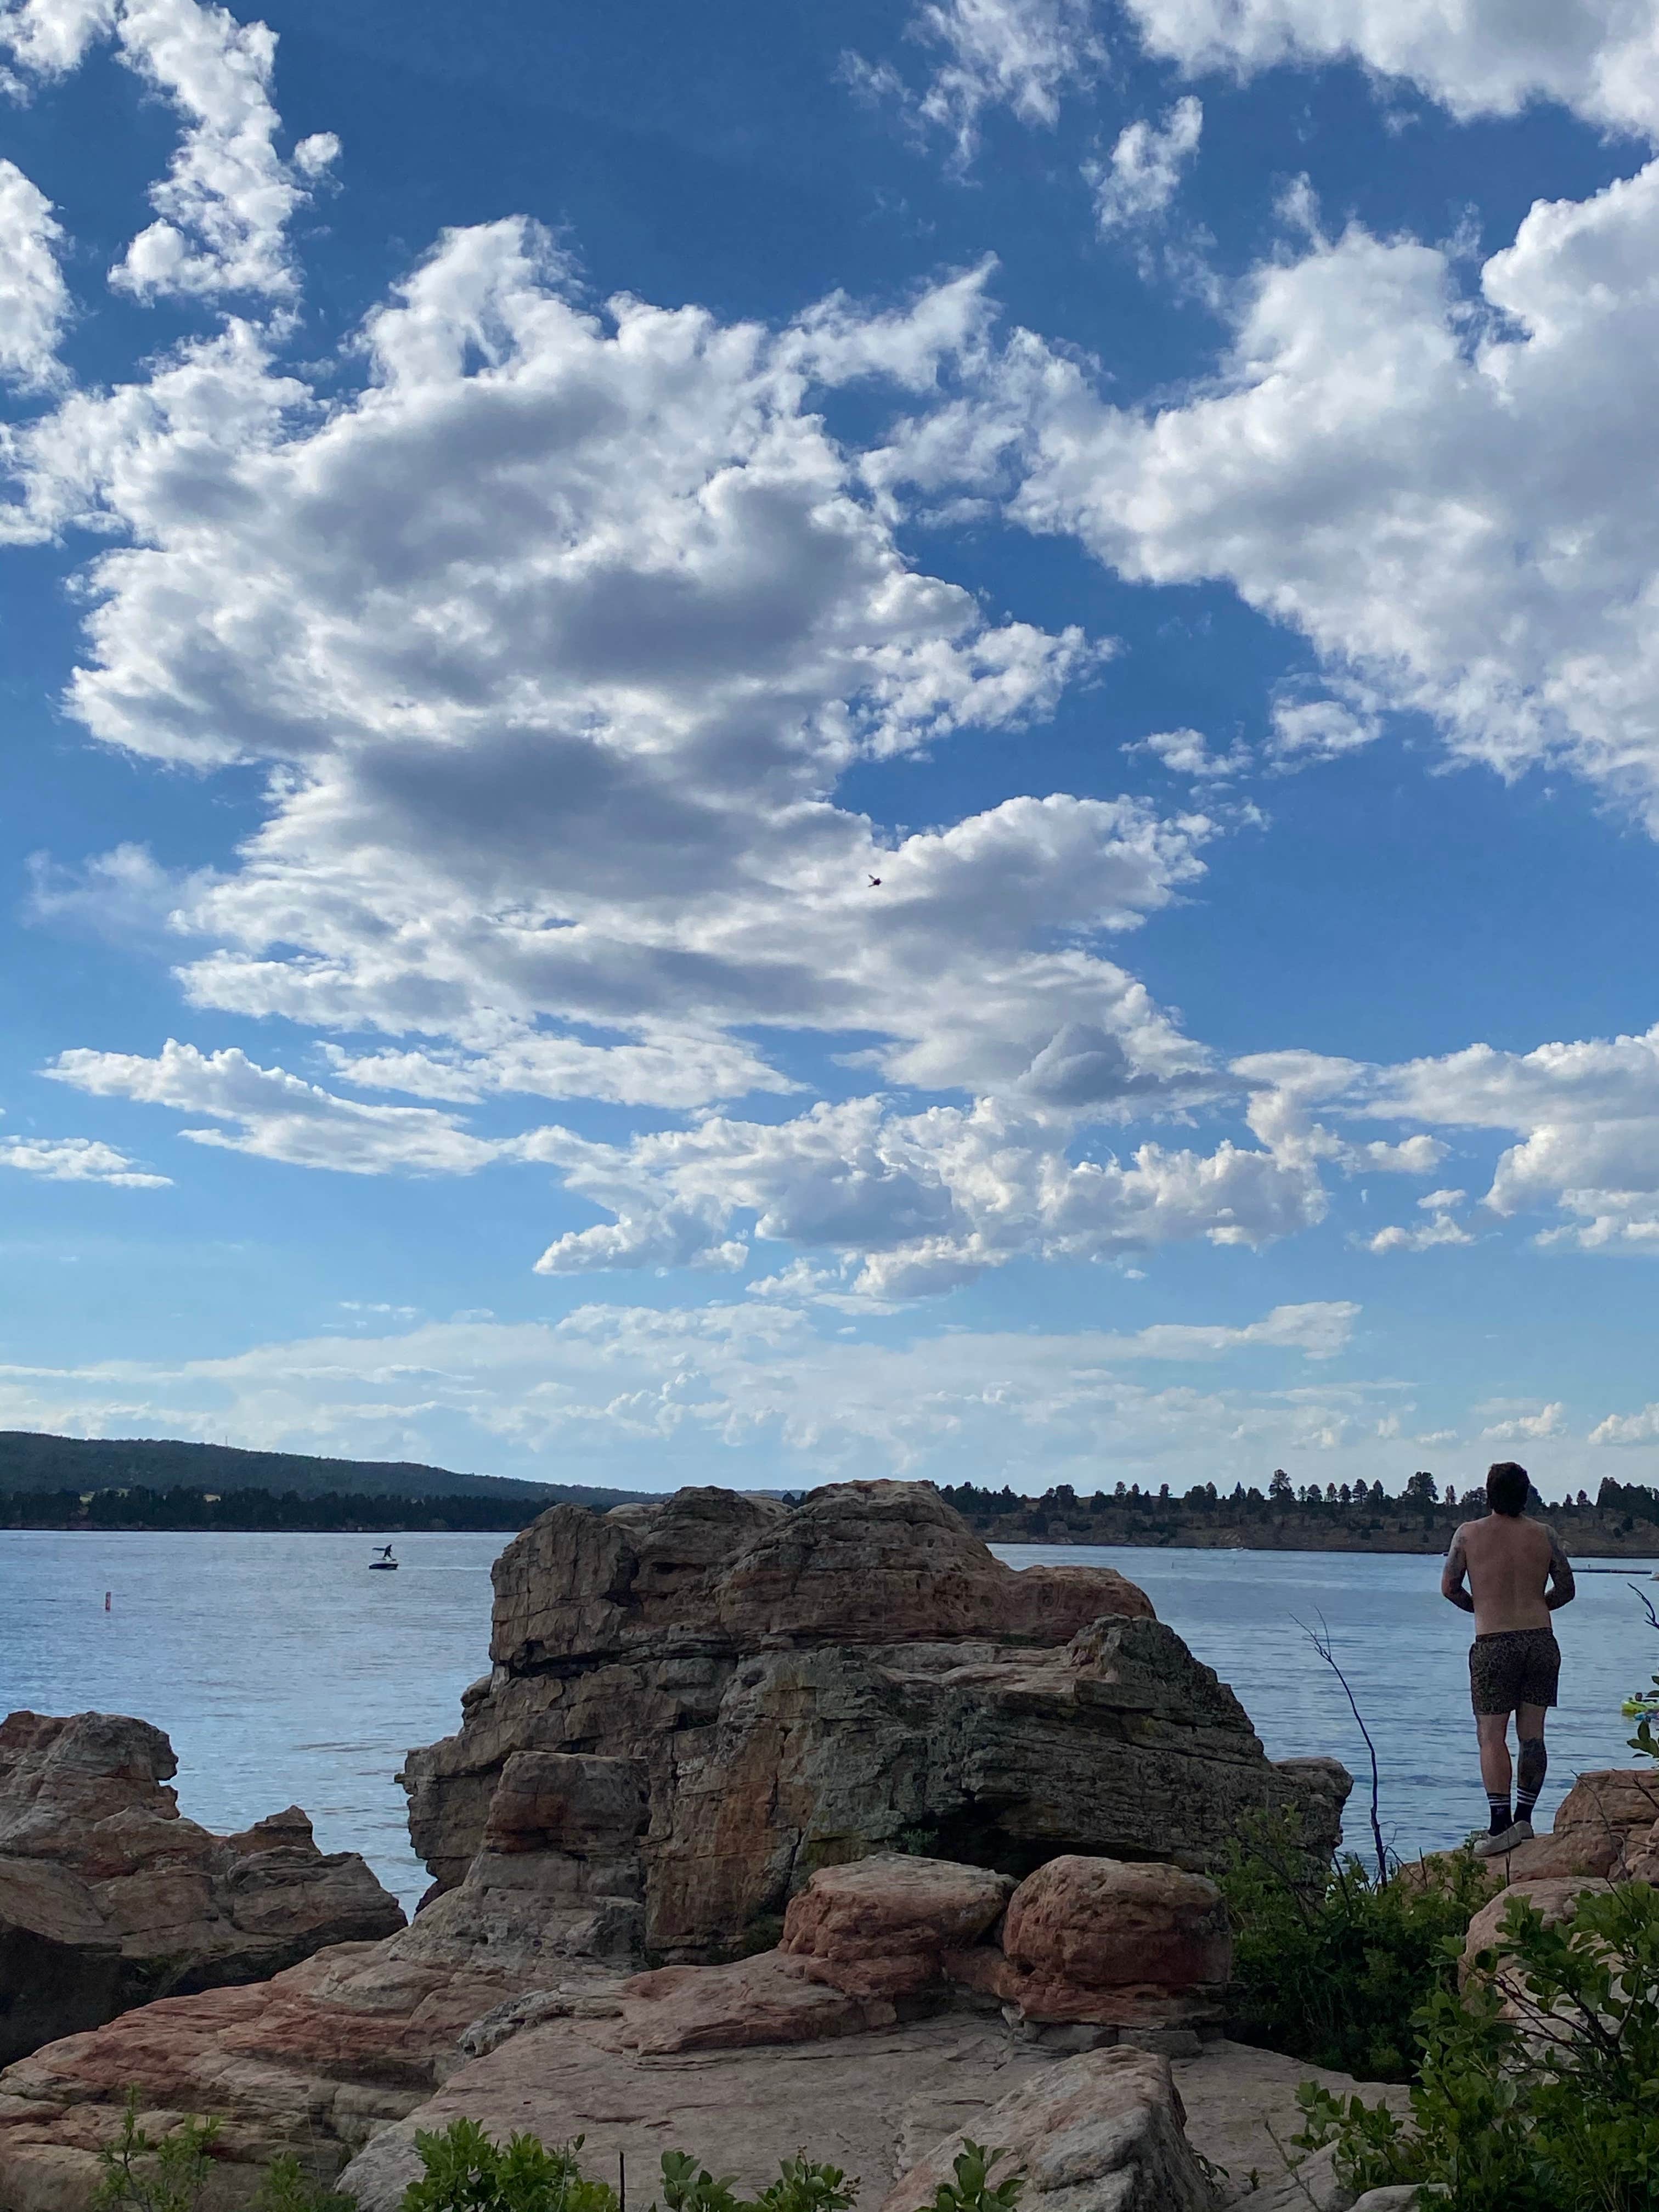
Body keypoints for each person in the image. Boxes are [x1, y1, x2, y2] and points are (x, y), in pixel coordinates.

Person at [1441, 1460, 1576, 1856]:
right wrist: (1537, 1608)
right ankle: (1525, 1818)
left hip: (1494, 1644)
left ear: (1489, 1494)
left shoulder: (1468, 1535)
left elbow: (1450, 1587)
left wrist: (1482, 1608)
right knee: (1532, 1734)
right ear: (1526, 1493)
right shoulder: (1545, 1535)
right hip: (1540, 1640)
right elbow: (1567, 1589)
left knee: (1491, 1734)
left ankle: (1499, 1824)